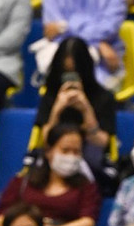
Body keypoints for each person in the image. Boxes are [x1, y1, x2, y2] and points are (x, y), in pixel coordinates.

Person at [33, 36, 116, 178]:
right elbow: (47, 139)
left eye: (75, 74)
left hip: (89, 156)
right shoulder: (51, 95)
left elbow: (102, 142)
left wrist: (86, 110)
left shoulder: (103, 97)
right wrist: (57, 109)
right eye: (65, 74)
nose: (70, 80)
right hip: (56, 156)